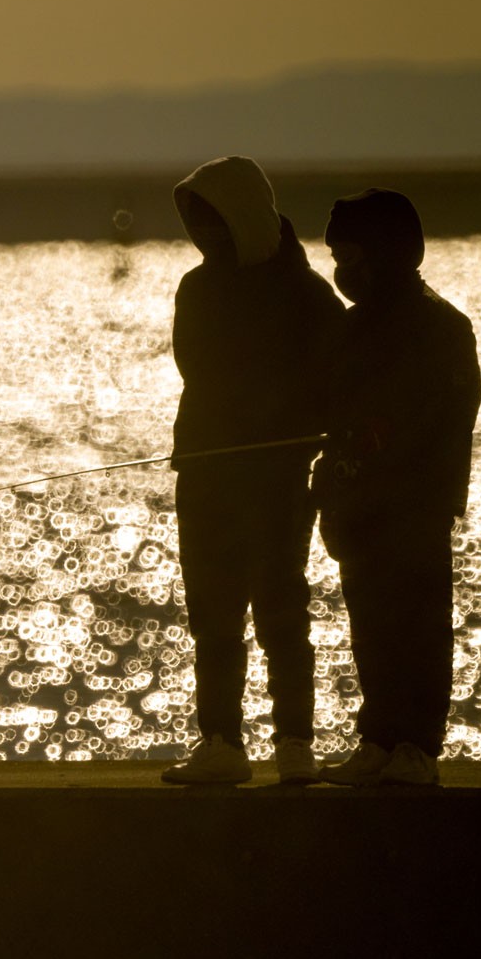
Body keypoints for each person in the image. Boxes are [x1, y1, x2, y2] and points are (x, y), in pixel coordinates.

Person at [162, 157, 345, 786]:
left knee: (281, 613)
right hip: (206, 475)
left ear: (241, 217)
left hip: (278, 480)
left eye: (213, 220)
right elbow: (197, 369)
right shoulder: (196, 287)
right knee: (212, 616)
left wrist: (274, 428)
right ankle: (220, 740)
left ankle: (294, 741)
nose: (203, 235)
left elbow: (331, 388)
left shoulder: (309, 294)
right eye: (196, 222)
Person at [313, 189, 481, 787]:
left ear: (385, 252)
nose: (340, 269)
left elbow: (454, 413)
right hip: (357, 504)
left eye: (350, 254)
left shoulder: (443, 325)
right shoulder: (351, 327)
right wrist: (330, 481)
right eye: (335, 254)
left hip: (417, 508)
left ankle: (417, 747)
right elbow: (330, 412)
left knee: (419, 628)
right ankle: (378, 738)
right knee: (371, 629)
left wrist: (389, 438)